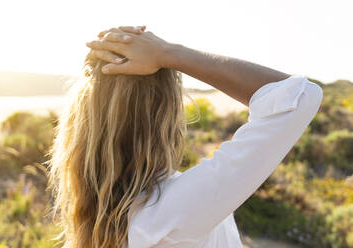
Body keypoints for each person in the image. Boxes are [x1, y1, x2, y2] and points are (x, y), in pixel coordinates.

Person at [46, 25, 323, 248]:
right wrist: (168, 53)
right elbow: (299, 97)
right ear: (163, 114)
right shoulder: (172, 211)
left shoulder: (101, 219)